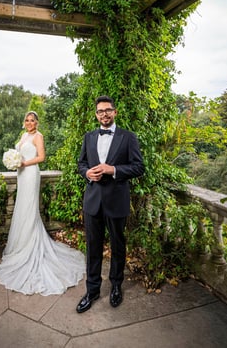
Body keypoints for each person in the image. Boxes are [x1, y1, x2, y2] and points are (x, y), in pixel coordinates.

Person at [0, 111, 85, 295]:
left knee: (29, 209)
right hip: (22, 175)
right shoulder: (23, 135)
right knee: (22, 208)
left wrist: (22, 163)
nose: (29, 123)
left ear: (37, 122)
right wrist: (14, 162)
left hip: (30, 174)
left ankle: (30, 245)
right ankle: (20, 245)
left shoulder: (38, 136)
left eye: (32, 120)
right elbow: (19, 154)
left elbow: (41, 157)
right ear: (24, 122)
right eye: (27, 120)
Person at [76, 96, 144, 313]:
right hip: (93, 201)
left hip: (117, 201)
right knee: (92, 248)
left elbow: (138, 167)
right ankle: (92, 290)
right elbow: (81, 163)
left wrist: (112, 170)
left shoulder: (128, 137)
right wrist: (87, 173)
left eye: (108, 110)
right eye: (100, 111)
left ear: (115, 112)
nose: (104, 114)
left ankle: (116, 286)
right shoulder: (88, 137)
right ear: (96, 115)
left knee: (118, 246)